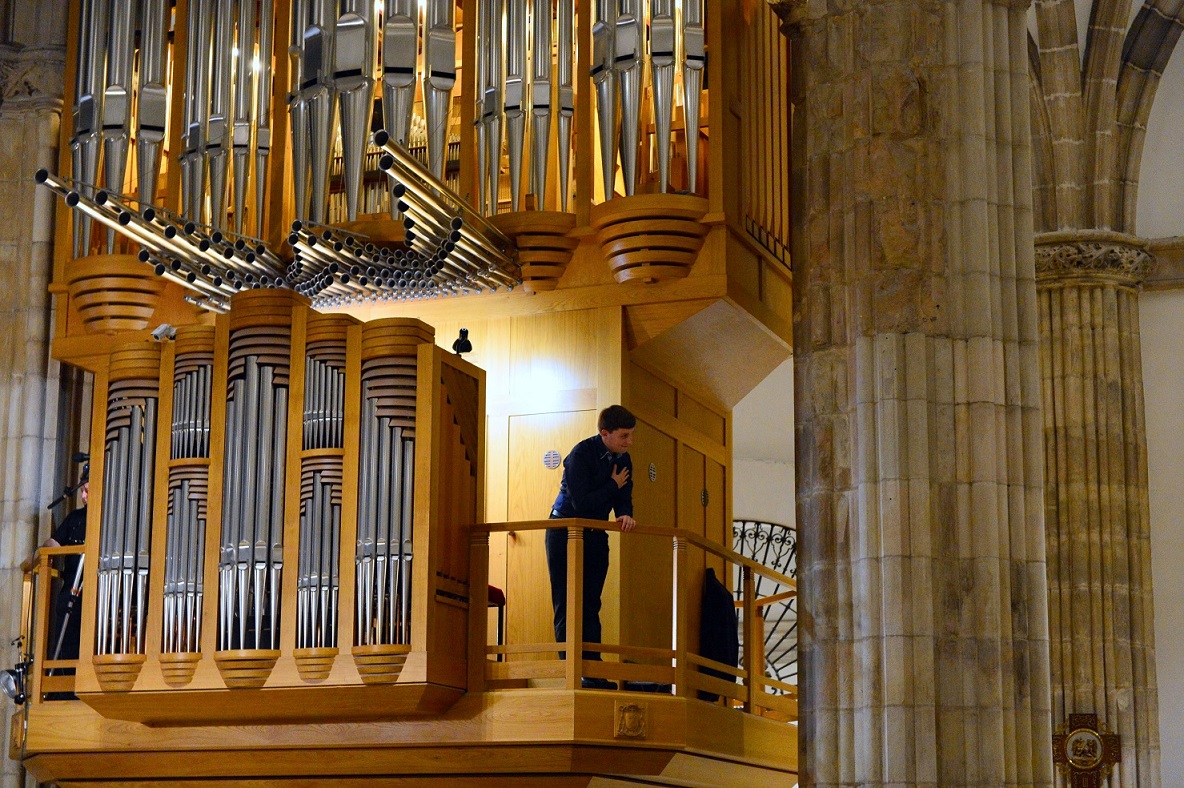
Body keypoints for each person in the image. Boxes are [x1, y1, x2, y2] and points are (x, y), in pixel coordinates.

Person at [545, 405, 636, 688]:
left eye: (631, 436)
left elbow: (624, 494)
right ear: (604, 433)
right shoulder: (580, 455)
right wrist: (612, 484)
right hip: (565, 531)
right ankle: (570, 672)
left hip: (596, 533)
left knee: (591, 605)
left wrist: (625, 512)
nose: (628, 442)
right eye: (623, 436)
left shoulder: (624, 459)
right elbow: (582, 503)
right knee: (567, 603)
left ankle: (593, 672)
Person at [43, 473, 88, 662]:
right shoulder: (75, 517)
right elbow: (52, 542)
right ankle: (62, 676)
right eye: (82, 491)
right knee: (63, 613)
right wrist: (51, 545)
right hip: (72, 587)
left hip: (100, 587)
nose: (83, 496)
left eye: (87, 491)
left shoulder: (110, 519)